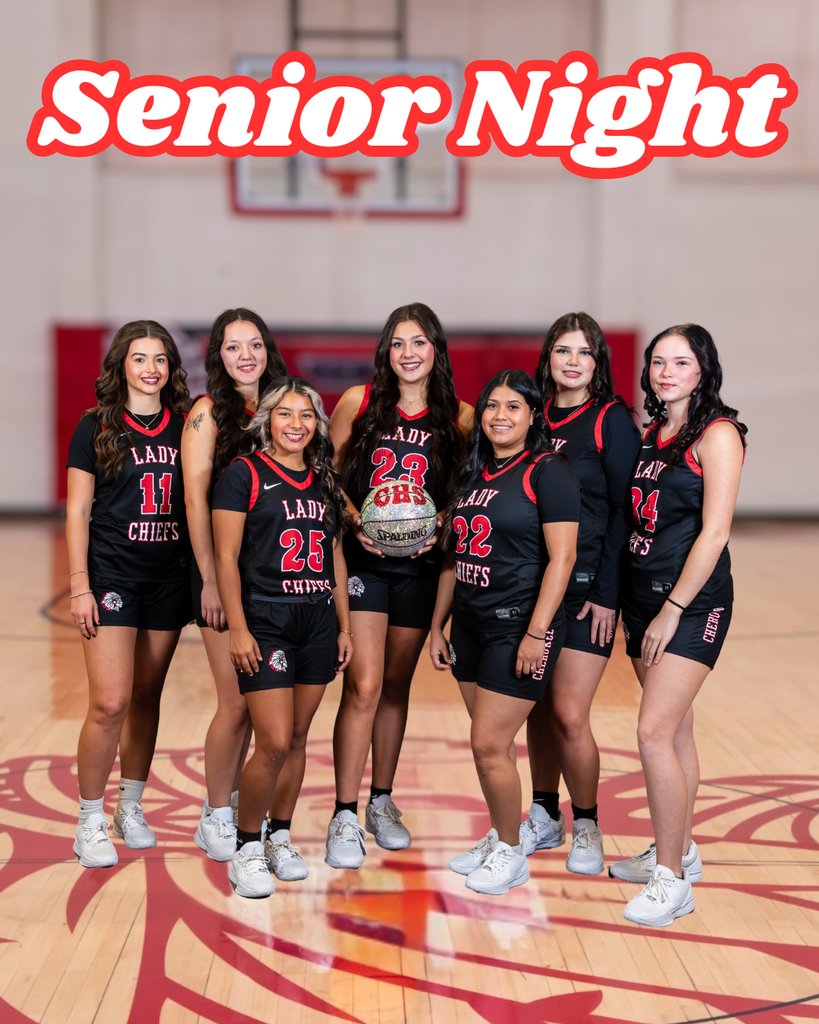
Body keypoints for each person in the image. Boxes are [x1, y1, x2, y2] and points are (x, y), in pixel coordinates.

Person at [326, 303, 473, 868]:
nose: (408, 353)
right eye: (397, 343)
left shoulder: (459, 415)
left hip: (419, 566)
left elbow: (467, 488)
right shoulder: (358, 404)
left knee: (394, 685)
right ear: (386, 351)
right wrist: (355, 522)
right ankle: (344, 812)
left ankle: (380, 801)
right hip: (363, 565)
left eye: (419, 342)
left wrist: (441, 522)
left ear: (436, 348)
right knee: (361, 685)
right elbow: (325, 475)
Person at [610, 324, 746, 927]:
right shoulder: (652, 433)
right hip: (642, 599)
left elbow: (714, 533)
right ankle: (681, 850)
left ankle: (671, 881)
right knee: (679, 731)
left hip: (689, 605)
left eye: (681, 362)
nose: (667, 372)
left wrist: (673, 610)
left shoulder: (717, 435)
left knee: (652, 733)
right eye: (658, 361)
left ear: (703, 370)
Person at [429, 370, 580, 895]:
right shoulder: (475, 474)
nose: (499, 416)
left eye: (513, 407)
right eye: (492, 406)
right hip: (469, 624)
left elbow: (563, 558)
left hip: (518, 628)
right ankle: (502, 834)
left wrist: (538, 633)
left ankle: (511, 853)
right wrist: (437, 626)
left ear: (533, 415)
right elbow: (454, 558)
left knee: (488, 744)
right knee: (496, 747)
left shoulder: (549, 471)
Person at [212, 377, 353, 897]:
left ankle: (280, 835)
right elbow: (226, 557)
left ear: (317, 425)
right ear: (266, 419)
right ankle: (247, 846)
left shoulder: (323, 479)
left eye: (307, 416)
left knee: (297, 738)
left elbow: (335, 555)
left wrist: (343, 625)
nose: (297, 425)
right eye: (286, 414)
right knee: (271, 742)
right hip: (267, 619)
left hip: (316, 618)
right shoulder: (243, 474)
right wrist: (239, 628)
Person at [66, 320, 191, 868]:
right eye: (139, 358)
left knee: (145, 696)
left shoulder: (186, 427)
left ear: (170, 368)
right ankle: (89, 817)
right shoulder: (94, 426)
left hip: (167, 577)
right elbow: (77, 510)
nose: (150, 369)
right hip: (112, 576)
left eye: (160, 359)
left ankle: (130, 806)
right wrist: (79, 584)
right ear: (121, 365)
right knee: (110, 701)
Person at [521, 313, 641, 874]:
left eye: (584, 352)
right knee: (536, 710)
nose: (572, 361)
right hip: (530, 584)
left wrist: (608, 594)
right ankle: (544, 814)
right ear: (547, 359)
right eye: (562, 351)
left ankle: (587, 823)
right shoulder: (532, 415)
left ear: (598, 362)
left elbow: (626, 510)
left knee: (569, 713)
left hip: (587, 589)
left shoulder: (611, 420)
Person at [181, 308, 287, 864]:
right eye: (231, 347)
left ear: (268, 348)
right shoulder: (207, 413)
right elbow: (195, 502)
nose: (245, 356)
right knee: (236, 703)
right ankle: (216, 812)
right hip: (226, 576)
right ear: (217, 356)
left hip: (282, 580)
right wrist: (209, 580)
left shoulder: (286, 406)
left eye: (254, 345)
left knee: (265, 705)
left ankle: (247, 806)